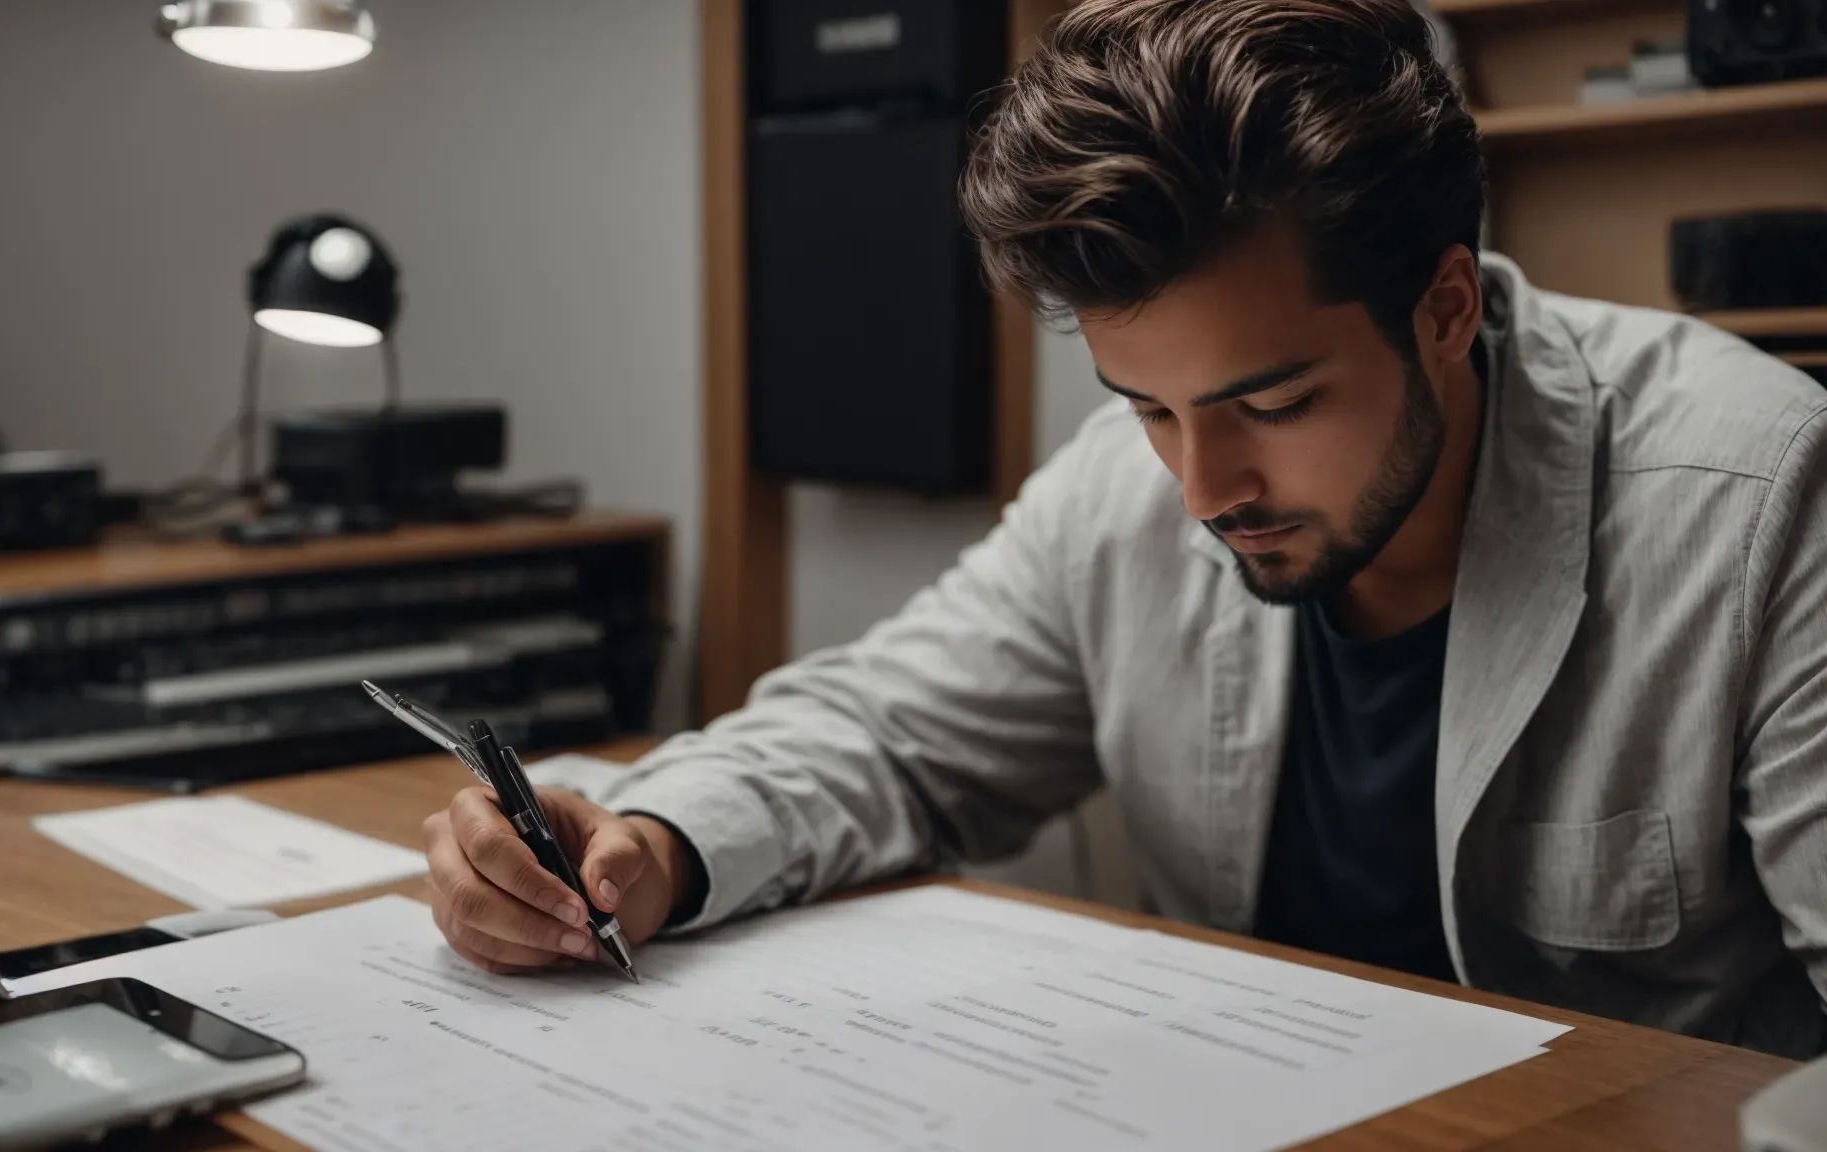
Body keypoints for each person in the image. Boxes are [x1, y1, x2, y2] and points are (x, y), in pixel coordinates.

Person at [421, 0, 1827, 1056]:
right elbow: (885, 733)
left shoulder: (1763, 501)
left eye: (1270, 401)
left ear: (1447, 310)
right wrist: (652, 846)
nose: (1203, 487)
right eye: (1148, 405)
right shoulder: (1123, 487)